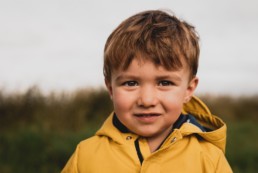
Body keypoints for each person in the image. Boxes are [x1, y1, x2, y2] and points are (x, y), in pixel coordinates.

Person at [61, 10, 232, 173]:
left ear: (188, 89)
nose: (147, 100)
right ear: (111, 88)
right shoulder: (85, 157)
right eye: (131, 83)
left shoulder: (209, 159)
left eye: (164, 82)